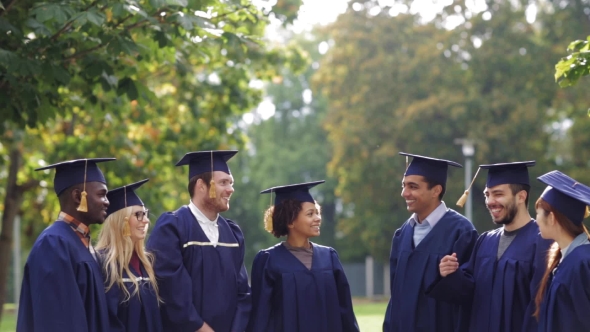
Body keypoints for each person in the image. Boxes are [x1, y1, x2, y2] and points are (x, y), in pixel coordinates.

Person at [427, 161, 552, 332]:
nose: (490, 201)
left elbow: (543, 306)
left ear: (521, 196)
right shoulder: (485, 241)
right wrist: (451, 274)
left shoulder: (543, 242)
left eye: (498, 194)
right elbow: (470, 295)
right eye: (487, 194)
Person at [147, 150, 251, 332]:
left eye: (231, 183)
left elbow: (242, 293)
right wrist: (199, 327)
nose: (231, 189)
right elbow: (170, 290)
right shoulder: (173, 227)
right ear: (201, 185)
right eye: (223, 182)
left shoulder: (232, 234)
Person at [17, 158, 116, 332]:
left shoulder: (81, 242)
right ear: (78, 196)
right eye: (101, 194)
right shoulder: (54, 244)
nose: (107, 201)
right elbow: (57, 322)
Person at [383, 153, 478, 332]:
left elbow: (471, 294)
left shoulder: (461, 232)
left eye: (413, 186)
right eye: (404, 185)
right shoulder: (402, 234)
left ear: (436, 191)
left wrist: (450, 276)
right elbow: (395, 297)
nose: (404, 193)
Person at [247, 181, 359, 332]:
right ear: (290, 221)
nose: (318, 218)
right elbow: (261, 318)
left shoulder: (329, 257)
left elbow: (346, 313)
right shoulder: (268, 261)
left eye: (317, 212)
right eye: (310, 214)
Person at [95, 179, 163, 332]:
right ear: (121, 221)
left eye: (145, 214)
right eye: (138, 215)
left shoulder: (148, 263)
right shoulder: (102, 264)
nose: (146, 220)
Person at [533, 170, 590, 332]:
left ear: (551, 218)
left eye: (537, 213)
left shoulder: (582, 263)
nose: (536, 220)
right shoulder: (568, 258)